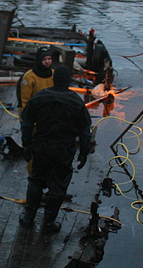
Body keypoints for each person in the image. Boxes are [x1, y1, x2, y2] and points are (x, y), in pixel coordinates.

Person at [19, 65, 93, 233]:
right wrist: (84, 152)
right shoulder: (76, 101)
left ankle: (29, 217)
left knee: (36, 181)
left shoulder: (39, 98)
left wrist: (26, 144)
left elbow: (27, 123)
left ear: (54, 79)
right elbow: (84, 130)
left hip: (42, 147)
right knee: (58, 187)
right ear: (68, 81)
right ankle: (49, 223)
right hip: (64, 150)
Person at [16, 47, 55, 115]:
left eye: (49, 59)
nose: (47, 62)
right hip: (34, 114)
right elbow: (24, 100)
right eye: (44, 59)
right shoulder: (29, 77)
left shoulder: (54, 74)